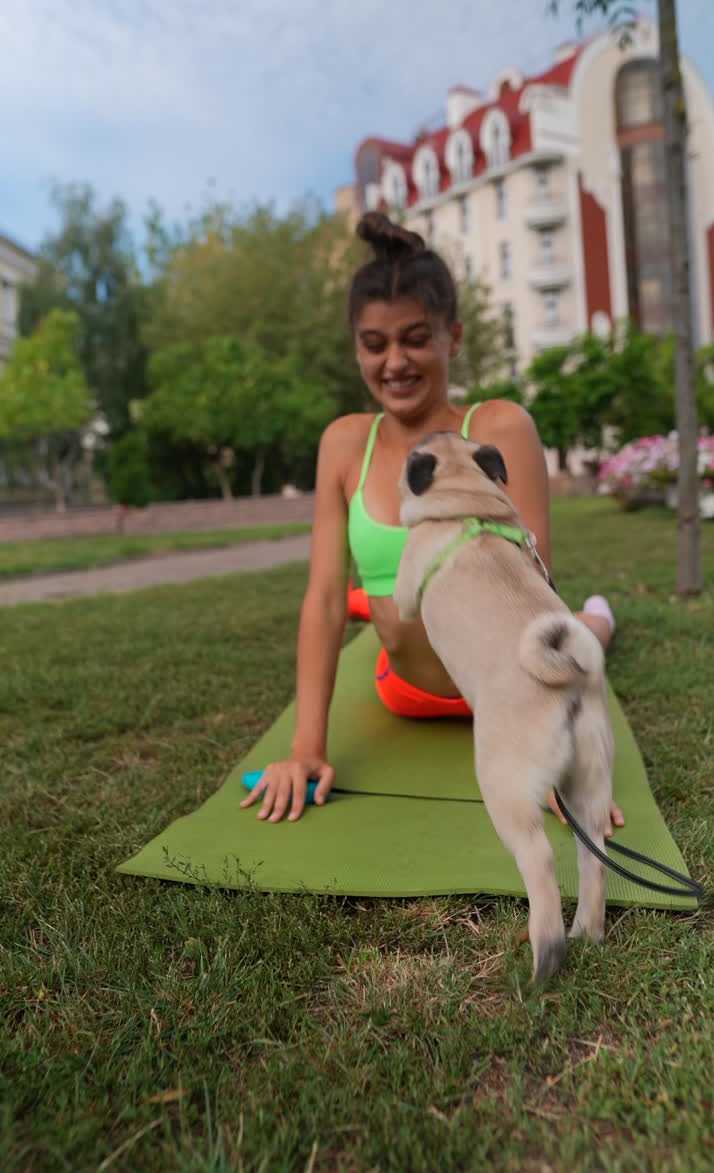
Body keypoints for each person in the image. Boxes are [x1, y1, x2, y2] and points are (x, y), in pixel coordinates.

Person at [241, 212, 624, 832]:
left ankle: (601, 618)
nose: (395, 361)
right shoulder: (343, 445)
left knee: (578, 637)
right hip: (406, 692)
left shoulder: (498, 429)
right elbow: (323, 602)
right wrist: (305, 750)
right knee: (377, 600)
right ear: (357, 349)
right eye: (375, 344)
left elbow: (534, 588)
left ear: (455, 336)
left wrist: (560, 756)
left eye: (416, 338)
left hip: (504, 689)